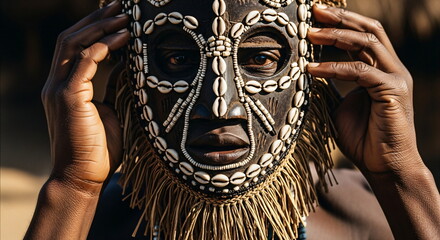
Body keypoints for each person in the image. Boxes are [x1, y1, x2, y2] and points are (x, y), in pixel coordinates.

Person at [25, 0, 440, 239]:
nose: (221, 107)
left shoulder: (368, 218)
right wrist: (74, 186)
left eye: (260, 58)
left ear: (311, 67)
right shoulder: (95, 223)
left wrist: (400, 176)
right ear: (132, 77)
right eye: (177, 60)